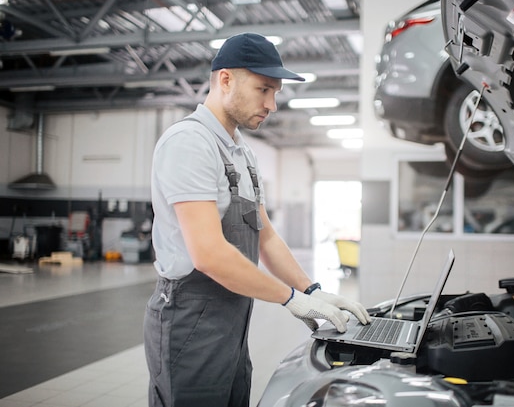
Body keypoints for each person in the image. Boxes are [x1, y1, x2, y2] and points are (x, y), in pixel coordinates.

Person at [144, 32, 371, 407]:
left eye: (275, 92)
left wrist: (312, 290)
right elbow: (209, 254)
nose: (273, 104)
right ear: (226, 79)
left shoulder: (242, 154)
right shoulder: (189, 143)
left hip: (232, 319)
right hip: (189, 319)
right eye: (264, 89)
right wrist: (291, 299)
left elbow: (265, 236)